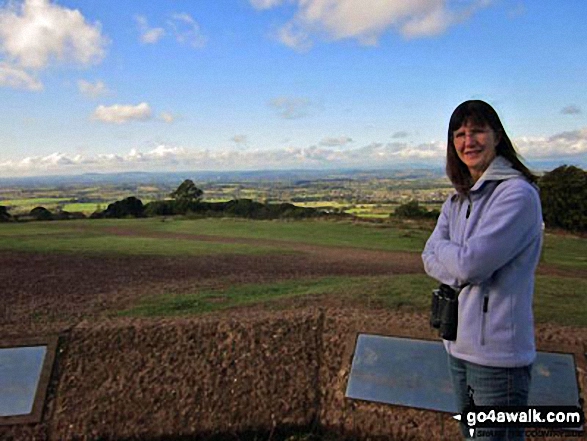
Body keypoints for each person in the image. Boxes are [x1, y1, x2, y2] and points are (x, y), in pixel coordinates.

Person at [422, 100, 543, 440]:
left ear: (497, 136)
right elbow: (426, 257)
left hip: (498, 357)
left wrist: (449, 254)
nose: (468, 141)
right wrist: (456, 259)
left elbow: (470, 266)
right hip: (458, 346)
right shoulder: (458, 199)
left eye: (477, 131)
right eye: (459, 134)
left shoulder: (516, 195)